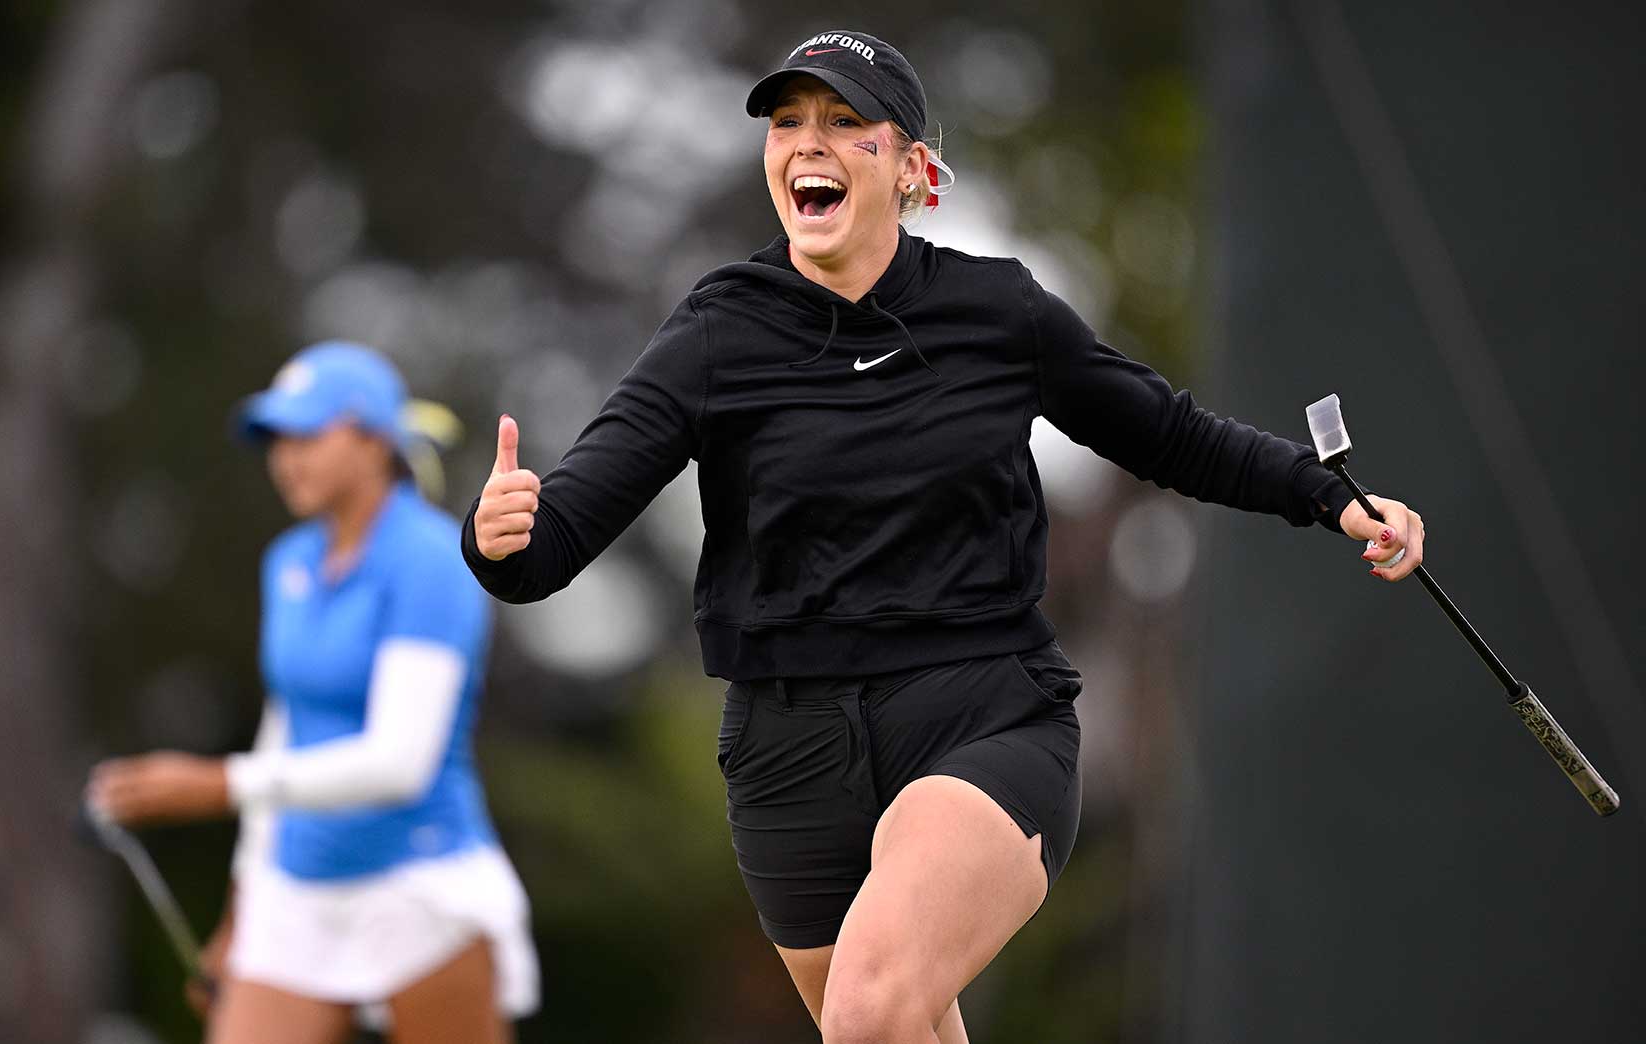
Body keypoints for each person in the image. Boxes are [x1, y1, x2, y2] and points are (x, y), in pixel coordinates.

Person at [462, 28, 1424, 1044]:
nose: (808, 145)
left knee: (871, 1010)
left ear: (911, 168)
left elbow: (1171, 436)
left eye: (844, 124)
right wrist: (499, 537)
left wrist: (1325, 495)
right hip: (787, 752)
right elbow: (549, 548)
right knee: (901, 1027)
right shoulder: (715, 333)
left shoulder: (996, 311)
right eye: (786, 124)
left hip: (980, 713)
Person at [88, 341, 540, 1044]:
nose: (285, 458)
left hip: (421, 888)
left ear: (371, 442)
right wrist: (242, 909)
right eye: (275, 440)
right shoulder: (290, 562)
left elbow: (400, 762)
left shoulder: (429, 560)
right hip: (295, 892)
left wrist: (216, 784)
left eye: (306, 435)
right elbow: (286, 722)